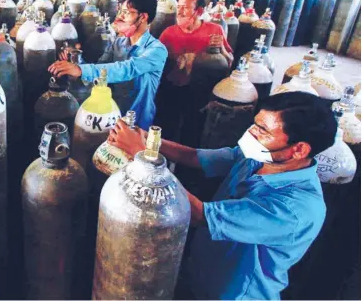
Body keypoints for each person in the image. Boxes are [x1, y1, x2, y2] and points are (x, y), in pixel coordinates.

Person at [108, 91, 337, 299]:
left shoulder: (297, 208)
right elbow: (197, 157)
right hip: (201, 275)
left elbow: (199, 214)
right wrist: (148, 140)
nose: (251, 133)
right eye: (254, 124)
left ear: (298, 149)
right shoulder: (257, 157)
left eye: (262, 130)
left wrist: (143, 155)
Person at [48, 0, 167, 130]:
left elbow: (127, 69)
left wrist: (80, 70)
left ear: (143, 17)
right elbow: (100, 71)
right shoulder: (119, 43)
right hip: (111, 118)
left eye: (126, 12)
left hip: (137, 124)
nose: (120, 17)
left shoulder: (156, 50)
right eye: (120, 11)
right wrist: (75, 61)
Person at [154, 0, 233, 145]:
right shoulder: (168, 33)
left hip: (200, 92)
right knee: (166, 130)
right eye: (179, 7)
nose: (180, 11)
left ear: (200, 11)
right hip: (172, 90)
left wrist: (221, 49)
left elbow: (229, 61)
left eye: (186, 7)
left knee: (193, 132)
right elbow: (155, 63)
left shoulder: (215, 31)